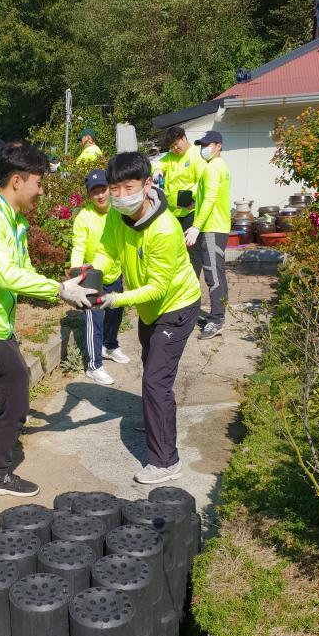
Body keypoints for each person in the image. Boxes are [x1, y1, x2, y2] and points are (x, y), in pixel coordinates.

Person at [0, 142, 96, 525]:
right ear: (16, 181)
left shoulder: (16, 222)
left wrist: (62, 285)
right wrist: (59, 291)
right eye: (38, 183)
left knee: (16, 397)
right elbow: (7, 275)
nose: (41, 191)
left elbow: (21, 273)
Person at [93, 152, 201, 485]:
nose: (121, 195)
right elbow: (107, 251)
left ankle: (167, 461)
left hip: (176, 306)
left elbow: (157, 288)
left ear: (147, 184)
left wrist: (114, 299)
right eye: (115, 189)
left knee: (156, 381)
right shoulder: (117, 216)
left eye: (129, 187)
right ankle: (156, 421)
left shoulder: (165, 228)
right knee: (151, 370)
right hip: (149, 309)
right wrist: (91, 276)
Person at [70, 168, 130, 385]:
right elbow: (78, 246)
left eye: (103, 189)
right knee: (93, 321)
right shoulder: (84, 217)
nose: (100, 195)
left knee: (115, 313)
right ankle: (93, 366)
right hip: (92, 277)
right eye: (95, 192)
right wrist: (76, 273)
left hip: (114, 271)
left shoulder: (118, 211)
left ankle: (110, 346)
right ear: (89, 195)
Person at [183, 131, 231, 340]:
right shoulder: (219, 166)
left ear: (218, 145)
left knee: (213, 276)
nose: (204, 149)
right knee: (217, 273)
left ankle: (216, 319)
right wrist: (193, 199)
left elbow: (211, 198)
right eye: (202, 145)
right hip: (217, 226)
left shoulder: (213, 167)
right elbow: (209, 195)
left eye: (208, 145)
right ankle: (217, 315)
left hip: (212, 227)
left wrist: (196, 226)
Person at [151, 126, 206, 274]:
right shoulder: (171, 156)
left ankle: (193, 280)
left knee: (192, 250)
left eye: (176, 144)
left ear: (183, 138)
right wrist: (157, 169)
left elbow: (202, 181)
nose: (175, 148)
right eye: (171, 146)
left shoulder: (196, 154)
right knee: (174, 248)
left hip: (190, 210)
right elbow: (159, 163)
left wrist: (190, 196)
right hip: (172, 212)